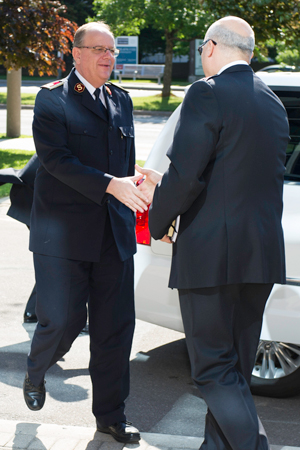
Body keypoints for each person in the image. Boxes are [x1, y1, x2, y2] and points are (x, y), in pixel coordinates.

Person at [136, 16, 289, 450]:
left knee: (212, 369)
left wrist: (161, 220)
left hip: (211, 255)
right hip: (259, 255)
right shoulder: (272, 100)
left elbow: (186, 176)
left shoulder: (206, 92)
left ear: (210, 47)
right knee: (234, 368)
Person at [23, 21, 148, 444]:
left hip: (113, 233)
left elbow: (125, 164)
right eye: (97, 49)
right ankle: (36, 371)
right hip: (62, 234)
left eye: (111, 50)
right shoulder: (51, 99)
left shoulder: (121, 100)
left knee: (115, 330)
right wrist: (111, 184)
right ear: (76, 54)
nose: (107, 56)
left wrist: (140, 184)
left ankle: (111, 417)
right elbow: (55, 159)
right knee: (62, 321)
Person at [0, 155, 39, 323]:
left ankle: (33, 311)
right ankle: (34, 311)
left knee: (57, 260)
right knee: (59, 260)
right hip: (33, 202)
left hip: (35, 199)